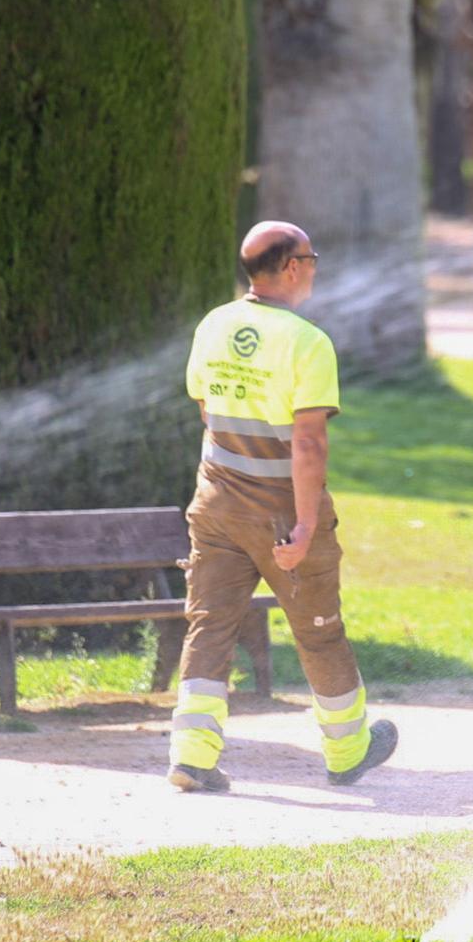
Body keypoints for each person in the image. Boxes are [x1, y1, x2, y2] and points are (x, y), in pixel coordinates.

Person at [167, 221, 398, 793]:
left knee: (210, 626)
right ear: (292, 267)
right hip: (279, 513)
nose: (315, 268)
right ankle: (347, 751)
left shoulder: (214, 324)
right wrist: (305, 524)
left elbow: (207, 408)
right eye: (311, 258)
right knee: (319, 632)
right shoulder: (306, 342)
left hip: (216, 503)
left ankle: (191, 756)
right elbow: (309, 442)